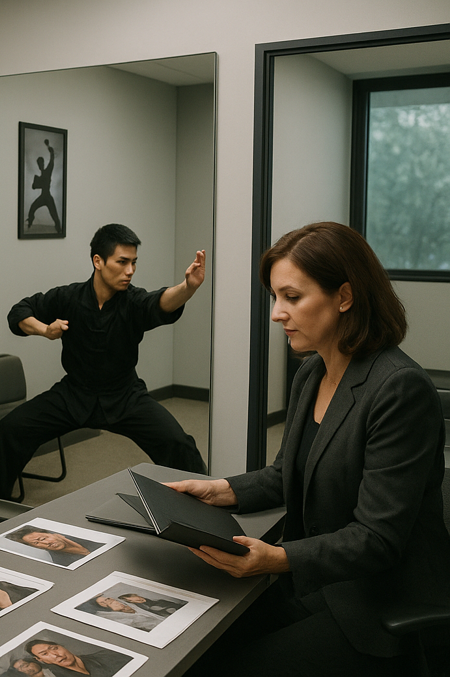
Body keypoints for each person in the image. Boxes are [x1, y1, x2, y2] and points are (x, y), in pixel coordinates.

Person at [170, 222, 450, 676]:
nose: (277, 314)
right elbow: (285, 475)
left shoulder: (400, 390)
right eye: (275, 298)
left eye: (292, 297)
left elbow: (376, 539)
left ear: (344, 296)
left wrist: (276, 558)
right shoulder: (311, 373)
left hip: (376, 600)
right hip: (312, 582)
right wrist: (216, 489)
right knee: (196, 649)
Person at [0, 223, 208, 500]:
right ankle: (0, 500)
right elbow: (19, 312)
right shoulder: (69, 297)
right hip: (73, 394)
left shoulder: (133, 301)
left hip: (125, 396)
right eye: (122, 262)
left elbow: (160, 302)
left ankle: (202, 507)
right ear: (98, 261)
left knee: (180, 444)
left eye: (134, 263)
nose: (130, 271)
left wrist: (188, 287)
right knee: (9, 429)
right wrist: (45, 330)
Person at [4, 526, 102, 566]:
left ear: (53, 533)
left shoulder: (82, 534)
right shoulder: (61, 562)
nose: (46, 543)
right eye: (37, 543)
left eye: (43, 539)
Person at [24, 639, 131, 676]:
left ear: (62, 646)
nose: (55, 654)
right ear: (40, 660)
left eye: (54, 648)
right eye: (45, 654)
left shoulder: (109, 656)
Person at [27, 138, 61, 232]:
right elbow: (34, 187)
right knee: (32, 208)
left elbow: (52, 161)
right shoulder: (39, 176)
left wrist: (50, 151)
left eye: (41, 163)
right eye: (39, 164)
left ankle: (59, 229)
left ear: (43, 163)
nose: (40, 165)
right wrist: (36, 184)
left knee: (55, 217)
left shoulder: (47, 171)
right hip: (43, 197)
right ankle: (30, 221)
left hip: (47, 197)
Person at [76, 595, 163, 631]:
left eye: (108, 599)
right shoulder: (123, 621)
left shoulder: (137, 605)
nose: (110, 601)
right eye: (104, 603)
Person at [117, 592, 186, 617]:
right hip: (160, 609)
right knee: (155, 607)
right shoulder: (141, 606)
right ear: (131, 601)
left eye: (140, 598)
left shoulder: (145, 600)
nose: (141, 599)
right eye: (138, 600)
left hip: (161, 604)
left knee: (161, 603)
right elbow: (150, 608)